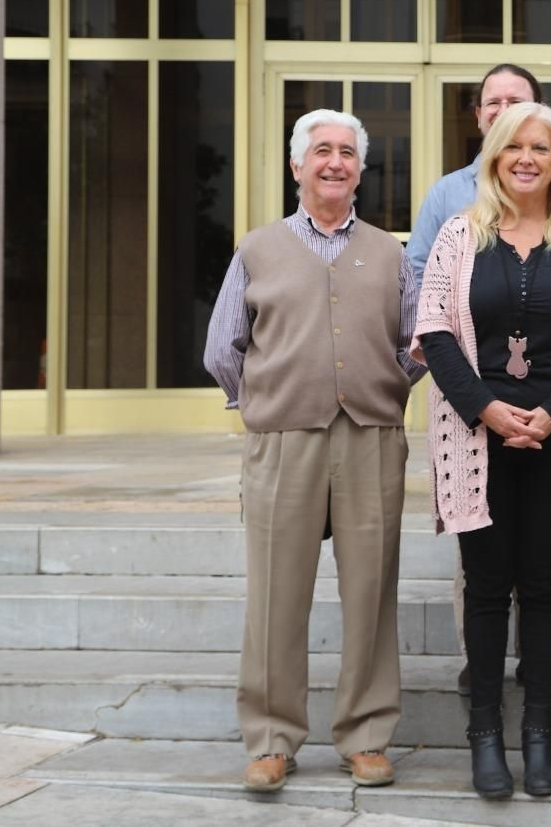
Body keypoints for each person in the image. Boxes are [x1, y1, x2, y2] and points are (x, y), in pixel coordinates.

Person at [203, 108, 422, 793]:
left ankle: (365, 735)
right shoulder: (258, 248)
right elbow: (223, 349)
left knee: (370, 592)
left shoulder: (392, 252)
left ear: (360, 168)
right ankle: (271, 739)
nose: (334, 162)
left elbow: (415, 346)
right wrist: (265, 405)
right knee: (275, 593)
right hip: (283, 442)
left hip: (370, 441)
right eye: (321, 151)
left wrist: (380, 389)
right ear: (297, 166)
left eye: (347, 153)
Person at [411, 103, 551, 800]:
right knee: (488, 587)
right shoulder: (457, 235)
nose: (527, 158)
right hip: (478, 436)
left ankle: (538, 735)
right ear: (494, 155)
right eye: (514, 147)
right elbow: (434, 332)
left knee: (543, 583)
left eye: (541, 148)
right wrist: (489, 411)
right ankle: (485, 735)